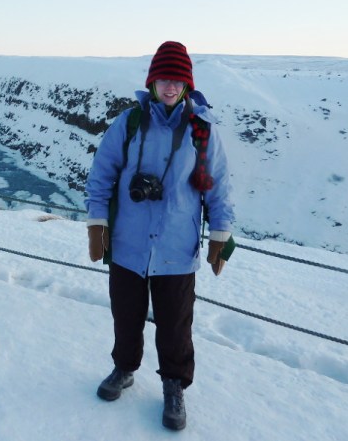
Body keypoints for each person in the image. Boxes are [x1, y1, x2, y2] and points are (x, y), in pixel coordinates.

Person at [85, 41, 234, 431]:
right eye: (164, 79)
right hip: (128, 244)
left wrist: (220, 234)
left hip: (175, 247)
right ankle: (124, 368)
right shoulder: (129, 123)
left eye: (178, 80)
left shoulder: (202, 130)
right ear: (152, 81)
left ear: (187, 85)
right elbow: (101, 176)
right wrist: (97, 224)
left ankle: (174, 385)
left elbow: (218, 188)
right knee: (126, 314)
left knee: (175, 322)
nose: (170, 87)